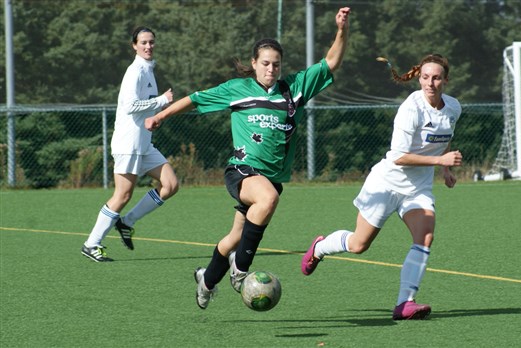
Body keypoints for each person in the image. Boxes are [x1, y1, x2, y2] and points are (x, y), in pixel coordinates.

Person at [145, 7, 351, 310]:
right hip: (241, 170)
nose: (271, 69)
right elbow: (195, 99)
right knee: (267, 200)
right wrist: (161, 115)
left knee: (235, 236)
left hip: (271, 177)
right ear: (254, 63)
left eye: (276, 64)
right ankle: (240, 271)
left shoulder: (293, 89)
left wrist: (342, 30)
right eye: (265, 63)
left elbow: (331, 62)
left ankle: (207, 280)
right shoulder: (237, 89)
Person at [300, 54, 463, 320]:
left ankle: (405, 303)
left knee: (425, 237)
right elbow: (399, 155)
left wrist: (445, 170)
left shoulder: (453, 107)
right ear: (418, 77)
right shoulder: (411, 109)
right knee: (358, 244)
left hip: (418, 189)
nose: (430, 83)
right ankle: (319, 247)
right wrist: (440, 160)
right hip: (386, 185)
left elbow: (443, 136)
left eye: (436, 78)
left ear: (446, 79)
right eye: (425, 77)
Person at [81, 26, 178, 262]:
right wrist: (162, 100)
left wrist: (154, 117)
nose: (148, 46)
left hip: (144, 144)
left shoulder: (148, 69)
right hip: (128, 144)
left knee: (171, 184)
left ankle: (127, 222)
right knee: (122, 195)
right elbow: (129, 106)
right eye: (143, 42)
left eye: (151, 42)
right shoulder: (135, 71)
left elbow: (142, 108)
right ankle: (91, 243)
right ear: (134, 45)